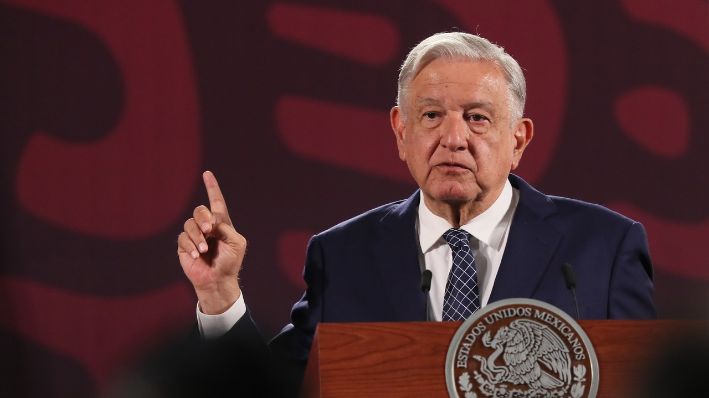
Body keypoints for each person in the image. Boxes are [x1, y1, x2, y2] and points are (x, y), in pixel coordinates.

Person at [176, 32, 655, 394]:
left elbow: (656, 385)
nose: (452, 138)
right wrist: (219, 295)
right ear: (400, 132)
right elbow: (268, 390)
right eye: (430, 116)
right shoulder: (343, 255)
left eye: (477, 117)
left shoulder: (602, 249)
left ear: (519, 139)